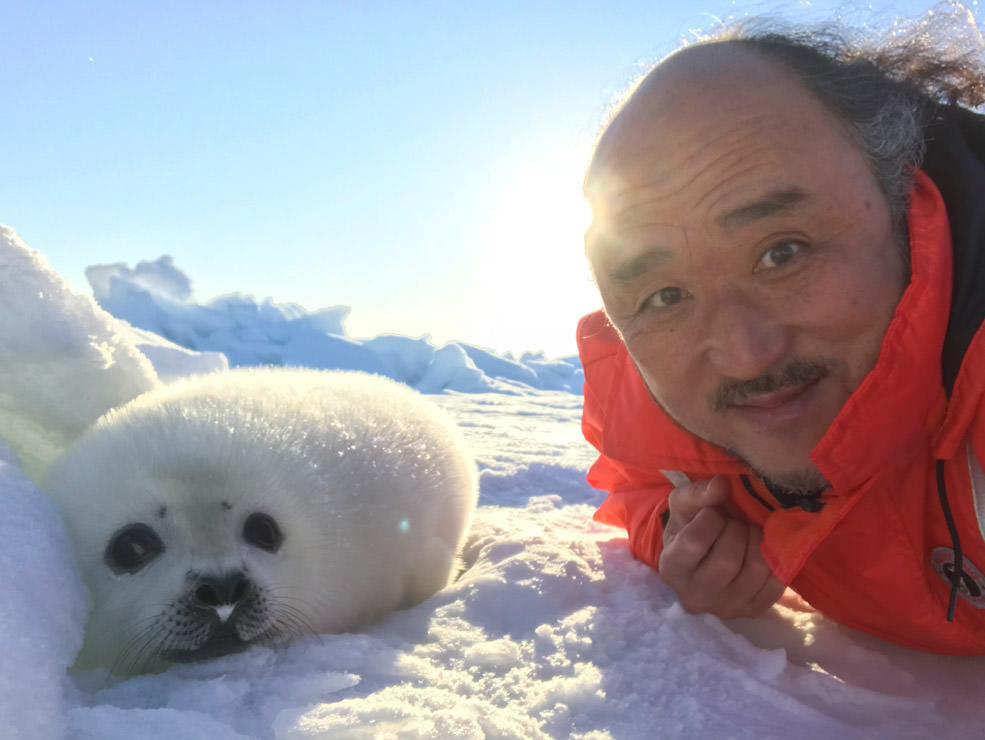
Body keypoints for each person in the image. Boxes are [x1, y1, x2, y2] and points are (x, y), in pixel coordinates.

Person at [577, 11, 985, 654]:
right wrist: (679, 535)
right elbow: (639, 479)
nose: (742, 356)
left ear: (901, 193)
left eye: (783, 252)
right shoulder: (648, 371)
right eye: (665, 294)